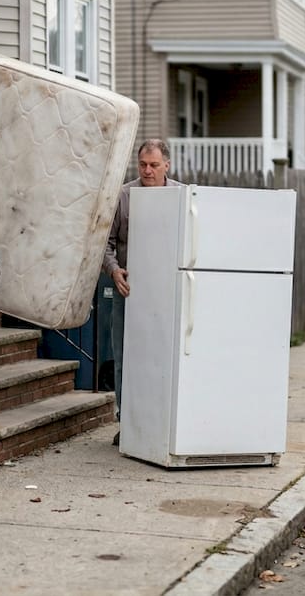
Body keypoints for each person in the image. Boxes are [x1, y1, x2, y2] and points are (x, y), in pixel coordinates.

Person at [102, 139, 181, 446]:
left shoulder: (181, 196)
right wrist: (114, 270)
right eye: (143, 165)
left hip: (168, 294)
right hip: (129, 292)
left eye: (154, 165)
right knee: (125, 356)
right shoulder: (123, 196)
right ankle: (128, 423)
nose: (147, 171)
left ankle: (165, 424)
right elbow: (105, 243)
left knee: (165, 357)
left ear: (167, 166)